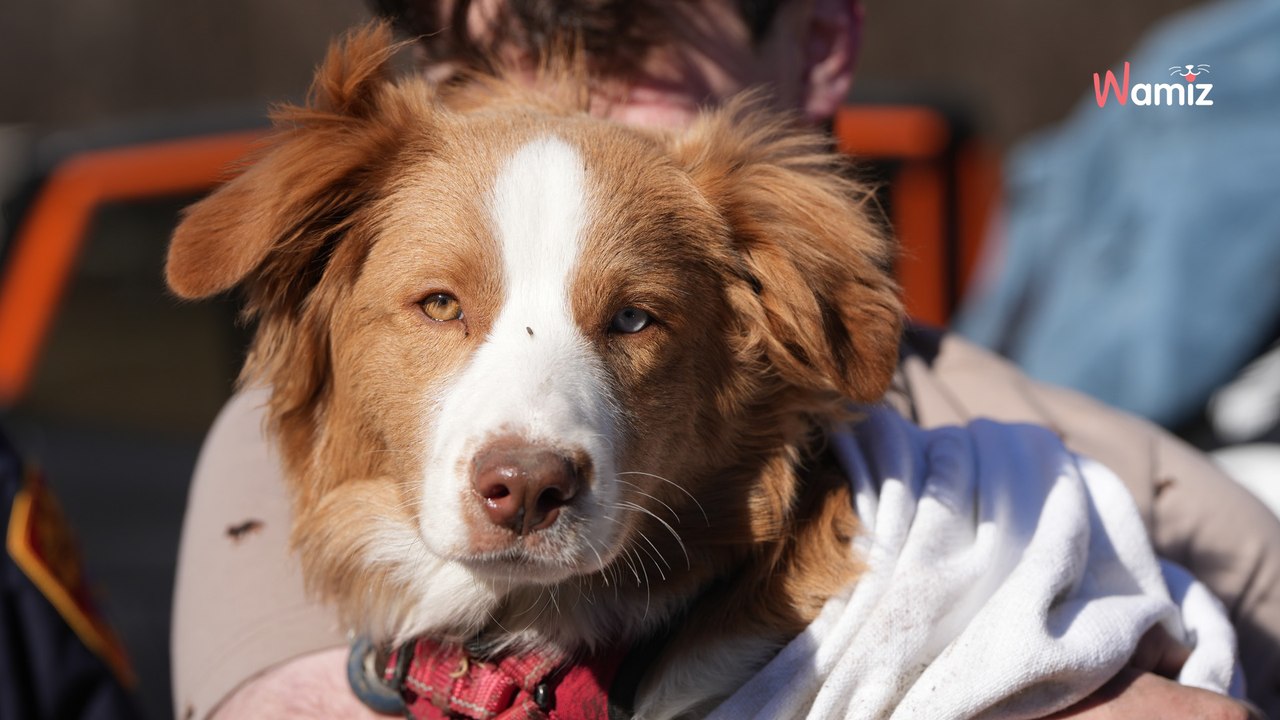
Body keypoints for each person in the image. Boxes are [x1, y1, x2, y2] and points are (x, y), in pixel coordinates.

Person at [170, 1, 1280, 718]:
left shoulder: (1064, 461)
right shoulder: (279, 425)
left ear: (819, 45)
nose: (554, 94)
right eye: (491, 46)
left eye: (628, 41)